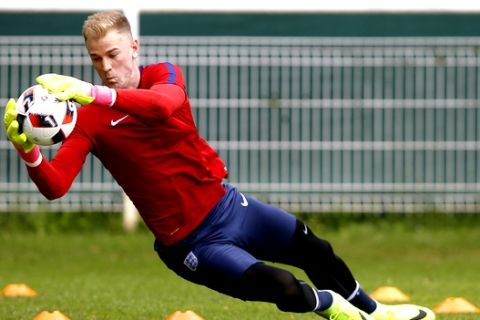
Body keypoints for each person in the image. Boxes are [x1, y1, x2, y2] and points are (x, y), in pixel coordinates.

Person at [3, 10, 435, 320]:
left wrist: (92, 92)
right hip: (192, 245)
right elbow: (56, 185)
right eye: (96, 60)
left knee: (313, 247)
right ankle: (335, 309)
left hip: (229, 207)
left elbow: (161, 107)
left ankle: (376, 312)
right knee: (282, 286)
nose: (106, 67)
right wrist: (29, 151)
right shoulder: (88, 117)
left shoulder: (162, 76)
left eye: (113, 54)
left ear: (134, 46)